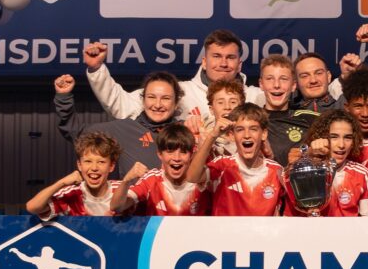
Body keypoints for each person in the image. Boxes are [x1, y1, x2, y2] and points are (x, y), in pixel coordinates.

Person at [82, 29, 262, 121]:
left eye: (230, 57)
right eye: (216, 56)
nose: (223, 63)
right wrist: (97, 69)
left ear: (239, 64)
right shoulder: (180, 92)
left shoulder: (256, 97)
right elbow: (122, 106)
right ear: (204, 61)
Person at [54, 71, 181, 174]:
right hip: (133, 199)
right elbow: (76, 132)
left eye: (166, 98)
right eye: (151, 97)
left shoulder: (187, 131)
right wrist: (64, 98)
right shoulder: (124, 129)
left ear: (176, 103)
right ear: (143, 100)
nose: (158, 104)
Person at [186, 103, 284, 216]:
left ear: (264, 134)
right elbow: (192, 177)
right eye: (240, 129)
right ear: (232, 135)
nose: (247, 135)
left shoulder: (277, 171)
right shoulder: (222, 165)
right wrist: (212, 136)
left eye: (253, 129)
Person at [292, 24, 368, 112]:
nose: (313, 80)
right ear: (295, 83)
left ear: (329, 76)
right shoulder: (288, 111)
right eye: (305, 76)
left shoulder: (347, 106)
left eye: (318, 73)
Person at [288, 109, 368, 217]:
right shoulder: (303, 171)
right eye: (334, 137)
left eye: (347, 138)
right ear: (320, 138)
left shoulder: (362, 175)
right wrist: (311, 152)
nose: (341, 145)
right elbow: (291, 160)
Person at [110, 123, 210, 216]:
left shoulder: (202, 178)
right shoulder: (152, 179)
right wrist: (126, 180)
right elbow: (117, 207)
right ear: (160, 154)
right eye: (170, 151)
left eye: (183, 152)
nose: (176, 158)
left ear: (191, 155)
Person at [27, 132, 124, 219]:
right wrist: (61, 183)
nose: (94, 167)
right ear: (79, 165)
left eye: (101, 162)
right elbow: (33, 207)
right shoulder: (71, 194)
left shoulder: (122, 189)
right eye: (88, 161)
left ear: (111, 166)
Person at [259, 54, 319, 165]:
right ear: (261, 84)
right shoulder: (251, 119)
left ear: (293, 86)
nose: (276, 85)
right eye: (270, 79)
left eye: (283, 79)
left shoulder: (310, 119)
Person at [186, 79, 244, 158]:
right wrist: (203, 146)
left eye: (233, 102)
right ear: (211, 109)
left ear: (241, 108)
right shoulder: (200, 135)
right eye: (220, 102)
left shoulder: (250, 134)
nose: (227, 107)